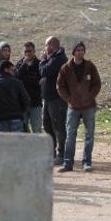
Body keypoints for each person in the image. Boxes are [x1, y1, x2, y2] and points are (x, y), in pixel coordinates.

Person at [56, 42, 101, 172]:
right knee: (70, 135)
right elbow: (60, 86)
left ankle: (87, 162)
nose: (80, 52)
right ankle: (68, 163)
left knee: (89, 135)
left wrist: (90, 96)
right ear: (73, 52)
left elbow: (96, 83)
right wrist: (69, 98)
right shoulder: (66, 68)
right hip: (73, 107)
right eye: (78, 50)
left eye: (82, 50)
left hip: (88, 106)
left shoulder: (90, 66)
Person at [39, 36, 68, 165]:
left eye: (46, 45)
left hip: (57, 99)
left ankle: (62, 154)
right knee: (47, 125)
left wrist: (43, 59)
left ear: (51, 45)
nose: (45, 48)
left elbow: (44, 71)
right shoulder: (52, 58)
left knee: (58, 127)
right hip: (48, 98)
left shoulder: (59, 58)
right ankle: (52, 153)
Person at [0, 61, 30, 132]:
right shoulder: (17, 83)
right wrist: (20, 112)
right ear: (6, 69)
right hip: (17, 119)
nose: (14, 72)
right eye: (13, 69)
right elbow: (26, 100)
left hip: (0, 120)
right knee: (17, 142)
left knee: (1, 143)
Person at [15, 42, 42, 133]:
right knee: (22, 129)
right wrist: (24, 65)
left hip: (35, 102)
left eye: (29, 51)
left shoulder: (39, 64)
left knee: (36, 128)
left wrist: (27, 79)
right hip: (22, 103)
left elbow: (39, 81)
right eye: (25, 51)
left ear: (34, 51)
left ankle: (37, 147)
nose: (27, 53)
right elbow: (16, 78)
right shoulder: (19, 64)